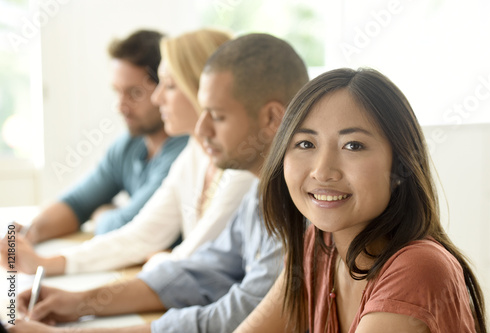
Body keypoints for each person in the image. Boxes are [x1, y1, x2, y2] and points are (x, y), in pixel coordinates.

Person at [9, 33, 309, 333]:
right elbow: (200, 272)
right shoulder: (260, 194)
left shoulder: (301, 209)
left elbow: (233, 318)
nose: (201, 128)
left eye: (216, 116)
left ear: (272, 119)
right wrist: (80, 302)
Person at [235, 68, 487, 333]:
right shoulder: (319, 246)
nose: (322, 171)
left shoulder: (418, 269)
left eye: (353, 145)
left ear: (401, 164)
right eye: (306, 144)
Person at [1, 29, 256, 277]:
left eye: (168, 86)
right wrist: (42, 261)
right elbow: (138, 235)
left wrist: (156, 257)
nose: (157, 99)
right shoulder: (193, 153)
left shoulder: (240, 165)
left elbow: (184, 265)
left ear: (202, 89)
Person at [16, 30, 189, 243]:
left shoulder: (185, 151)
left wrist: (99, 215)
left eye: (134, 93)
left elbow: (128, 227)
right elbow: (76, 203)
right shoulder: (130, 145)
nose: (120, 106)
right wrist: (28, 234)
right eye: (117, 92)